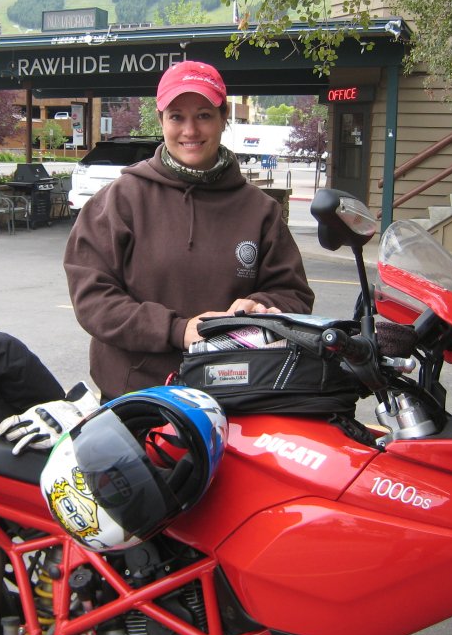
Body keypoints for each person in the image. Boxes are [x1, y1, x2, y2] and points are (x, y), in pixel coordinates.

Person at [63, 60, 314, 399]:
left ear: (224, 118)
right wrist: (178, 331)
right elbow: (92, 299)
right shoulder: (119, 201)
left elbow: (293, 296)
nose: (190, 130)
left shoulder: (260, 211)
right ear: (162, 119)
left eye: (204, 115)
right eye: (177, 116)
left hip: (236, 392)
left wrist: (260, 307)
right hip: (138, 395)